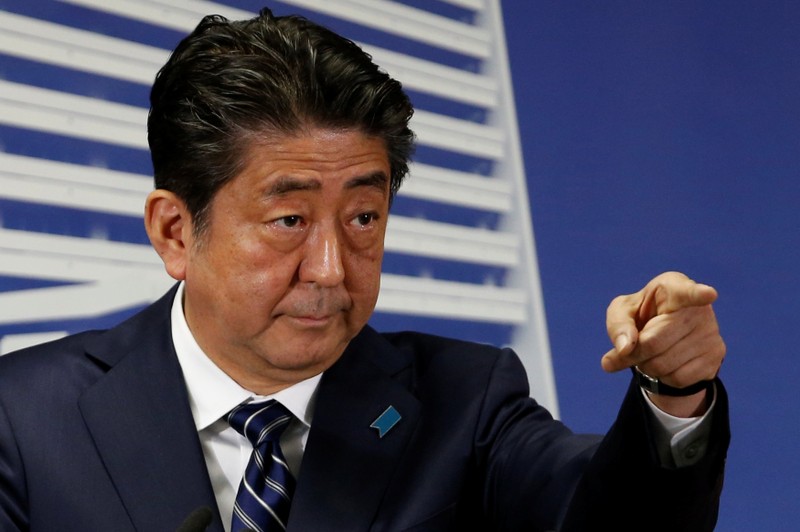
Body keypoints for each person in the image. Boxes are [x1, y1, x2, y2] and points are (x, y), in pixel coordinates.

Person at [0, 7, 729, 532]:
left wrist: (674, 393)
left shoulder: (462, 405)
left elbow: (603, 515)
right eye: (289, 221)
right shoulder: (25, 422)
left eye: (363, 219)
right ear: (174, 232)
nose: (330, 269)